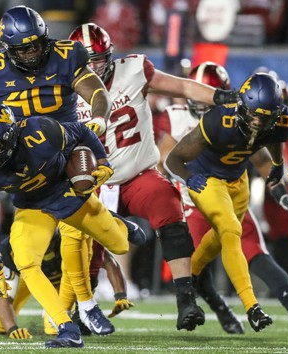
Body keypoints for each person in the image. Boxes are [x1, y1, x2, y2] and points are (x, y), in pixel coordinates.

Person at [0, 5, 119, 335]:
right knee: (25, 240)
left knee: (76, 228)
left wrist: (99, 121)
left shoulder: (67, 54)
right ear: (7, 49)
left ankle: (86, 305)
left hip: (66, 146)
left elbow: (97, 92)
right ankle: (49, 297)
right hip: (19, 155)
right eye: (21, 48)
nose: (30, 53)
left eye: (34, 44)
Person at [68, 23, 238, 330]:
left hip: (136, 176)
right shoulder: (61, 87)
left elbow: (184, 87)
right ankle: (82, 309)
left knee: (167, 200)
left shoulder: (133, 70)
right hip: (92, 183)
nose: (94, 66)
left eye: (99, 58)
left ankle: (185, 299)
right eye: (87, 60)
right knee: (84, 246)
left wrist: (224, 98)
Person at [0, 102, 132, 348]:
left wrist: (104, 161)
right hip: (31, 206)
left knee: (120, 245)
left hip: (66, 193)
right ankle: (67, 328)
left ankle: (117, 220)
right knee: (25, 261)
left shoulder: (40, 132)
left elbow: (83, 131)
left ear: (10, 137)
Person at [157, 62, 288, 334]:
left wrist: (279, 165)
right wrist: (187, 180)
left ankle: (193, 280)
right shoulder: (217, 119)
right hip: (204, 184)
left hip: (237, 184)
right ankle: (250, 307)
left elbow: (264, 146)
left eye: (265, 117)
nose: (258, 122)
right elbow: (171, 158)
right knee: (230, 230)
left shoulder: (280, 120)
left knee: (233, 244)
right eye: (198, 96)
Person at [0, 231, 133, 339]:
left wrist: (120, 295)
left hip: (58, 281)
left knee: (54, 328)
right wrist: (12, 330)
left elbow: (108, 261)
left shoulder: (69, 240)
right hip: (25, 278)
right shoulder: (10, 250)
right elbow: (4, 298)